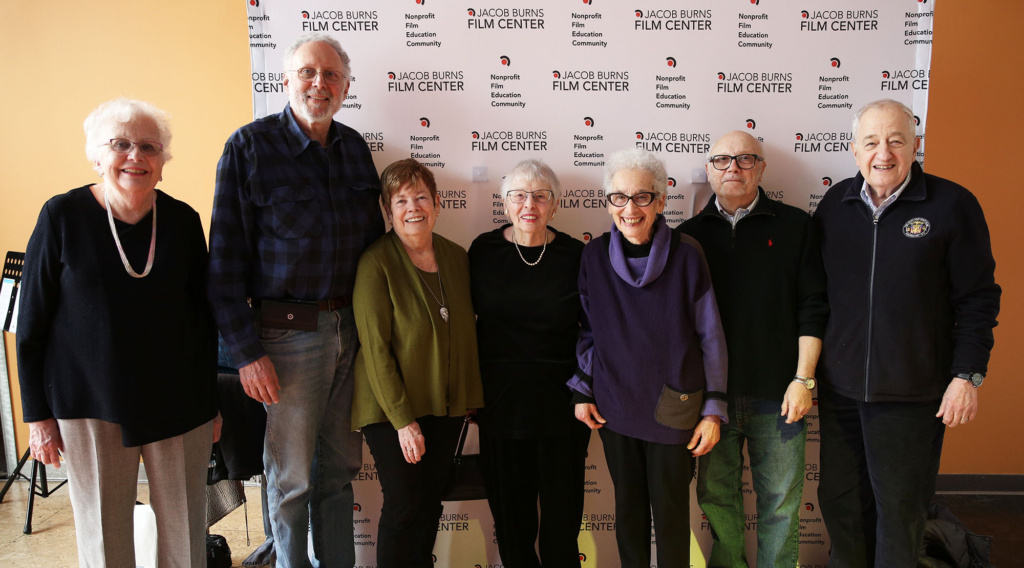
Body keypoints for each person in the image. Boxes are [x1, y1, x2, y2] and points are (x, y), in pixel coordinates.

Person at [208, 32, 385, 568]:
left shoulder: (355, 148)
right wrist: (245, 353)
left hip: (349, 333)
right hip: (283, 338)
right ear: (285, 81)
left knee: (337, 471)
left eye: (331, 75)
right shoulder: (249, 147)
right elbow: (222, 266)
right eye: (308, 72)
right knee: (291, 478)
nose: (319, 83)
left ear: (346, 87)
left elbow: (376, 252)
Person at [16, 98, 218, 567]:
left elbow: (202, 321)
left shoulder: (184, 222)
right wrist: (37, 416)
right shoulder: (61, 216)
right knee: (104, 540)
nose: (135, 157)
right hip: (89, 406)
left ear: (163, 164)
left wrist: (212, 406)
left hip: (179, 405)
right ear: (97, 154)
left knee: (185, 537)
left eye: (149, 147)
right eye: (120, 144)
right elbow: (32, 324)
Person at [814, 99, 1000, 567]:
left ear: (915, 145)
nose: (884, 153)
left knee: (899, 514)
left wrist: (967, 376)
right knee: (840, 505)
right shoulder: (834, 205)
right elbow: (814, 296)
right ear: (854, 150)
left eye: (896, 140)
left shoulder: (953, 204)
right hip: (839, 394)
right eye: (872, 142)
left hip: (912, 397)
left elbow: (978, 298)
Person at [568, 148, 728, 568]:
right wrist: (581, 390)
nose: (629, 208)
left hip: (673, 407)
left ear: (660, 201)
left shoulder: (688, 253)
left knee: (673, 518)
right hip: (614, 406)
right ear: (608, 203)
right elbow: (587, 332)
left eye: (642, 197)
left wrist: (713, 410)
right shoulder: (593, 256)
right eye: (618, 197)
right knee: (628, 514)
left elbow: (711, 337)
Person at [678, 131, 828, 567]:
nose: (734, 169)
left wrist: (803, 379)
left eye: (746, 159)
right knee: (716, 498)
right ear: (708, 170)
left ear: (762, 168)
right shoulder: (686, 237)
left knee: (780, 503)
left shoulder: (796, 225)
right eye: (722, 161)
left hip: (779, 396)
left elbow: (813, 306)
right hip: (711, 401)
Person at [351, 159, 484, 568]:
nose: (413, 207)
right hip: (391, 409)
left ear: (438, 204)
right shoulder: (376, 263)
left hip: (445, 405)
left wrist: (468, 399)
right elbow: (376, 351)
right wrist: (403, 422)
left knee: (430, 503)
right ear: (388, 211)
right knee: (406, 504)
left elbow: (464, 334)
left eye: (421, 197)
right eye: (401, 200)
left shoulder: (457, 258)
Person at [468, 159, 591, 568]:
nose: (529, 204)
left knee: (562, 521)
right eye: (519, 195)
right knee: (512, 522)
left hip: (564, 406)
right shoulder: (483, 251)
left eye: (541, 196)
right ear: (505, 203)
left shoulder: (577, 255)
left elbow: (593, 330)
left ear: (554, 206)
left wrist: (585, 389)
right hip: (500, 404)